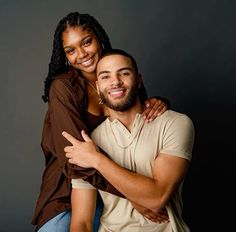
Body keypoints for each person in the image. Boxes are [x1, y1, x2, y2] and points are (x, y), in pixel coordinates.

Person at [32, 12, 170, 232]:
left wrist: (157, 103)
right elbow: (75, 157)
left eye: (86, 42)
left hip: (115, 195)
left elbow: (139, 128)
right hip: (69, 193)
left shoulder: (120, 78)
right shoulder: (63, 88)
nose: (82, 54)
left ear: (98, 38)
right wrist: (131, 194)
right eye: (71, 50)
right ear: (65, 56)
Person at [62, 49, 195, 232]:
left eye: (124, 73)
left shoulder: (175, 123)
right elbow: (81, 222)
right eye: (105, 76)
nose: (115, 82)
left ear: (138, 80)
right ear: (98, 87)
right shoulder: (89, 142)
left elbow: (157, 198)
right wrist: (92, 154)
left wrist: (97, 159)